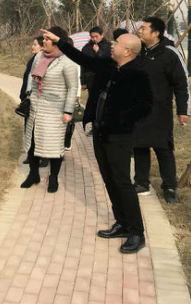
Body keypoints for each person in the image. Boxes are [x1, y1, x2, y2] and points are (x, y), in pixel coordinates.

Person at [41, 28, 153, 254]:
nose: (112, 45)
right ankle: (122, 223)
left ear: (128, 51)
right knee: (109, 180)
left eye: (117, 43)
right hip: (100, 133)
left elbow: (145, 107)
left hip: (118, 137)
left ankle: (137, 232)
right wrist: (60, 42)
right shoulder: (109, 65)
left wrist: (120, 121)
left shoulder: (138, 75)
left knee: (122, 182)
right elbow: (82, 59)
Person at [133, 16, 190, 204]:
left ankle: (169, 186)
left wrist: (183, 110)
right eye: (140, 28)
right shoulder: (138, 51)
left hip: (160, 111)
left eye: (144, 28)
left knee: (163, 148)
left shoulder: (169, 53)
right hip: (138, 110)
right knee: (139, 146)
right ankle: (141, 182)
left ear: (156, 33)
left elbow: (181, 84)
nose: (140, 31)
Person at [21, 26, 78, 193]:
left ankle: (53, 178)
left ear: (56, 41)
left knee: (54, 146)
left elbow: (72, 88)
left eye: (47, 39)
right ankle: (33, 175)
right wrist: (30, 98)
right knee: (32, 143)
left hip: (55, 111)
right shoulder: (39, 56)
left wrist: (68, 111)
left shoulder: (67, 61)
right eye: (44, 38)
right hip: (36, 108)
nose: (43, 41)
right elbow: (33, 80)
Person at [19, 36, 48, 167]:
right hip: (28, 97)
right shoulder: (33, 59)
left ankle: (44, 157)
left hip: (38, 98)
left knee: (40, 128)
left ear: (42, 47)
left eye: (35, 44)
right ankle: (31, 155)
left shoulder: (44, 60)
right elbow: (27, 79)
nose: (32, 46)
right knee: (29, 127)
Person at [80, 27, 111, 136]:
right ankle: (94, 127)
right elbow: (83, 65)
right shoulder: (86, 48)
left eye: (96, 36)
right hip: (91, 79)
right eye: (92, 37)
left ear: (102, 35)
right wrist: (83, 82)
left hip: (104, 79)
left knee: (104, 103)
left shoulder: (108, 47)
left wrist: (99, 52)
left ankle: (104, 126)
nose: (94, 39)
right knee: (93, 104)